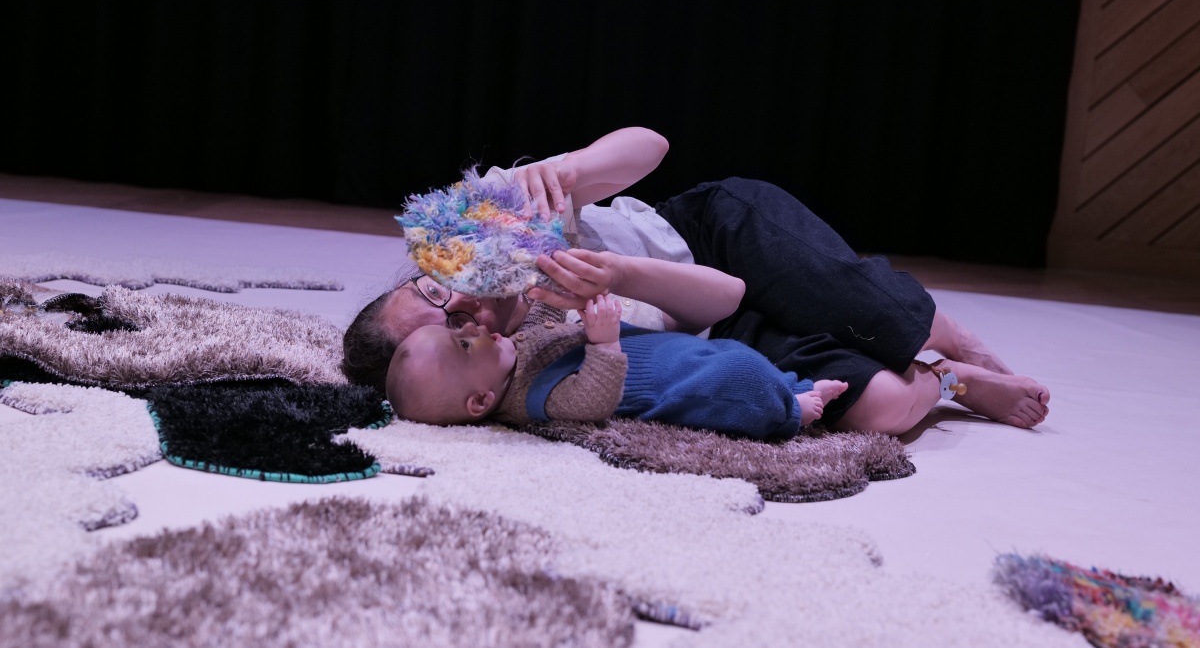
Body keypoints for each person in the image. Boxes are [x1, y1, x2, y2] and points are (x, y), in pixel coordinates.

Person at [343, 127, 1049, 432]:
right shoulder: (533, 368)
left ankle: (951, 338)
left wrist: (569, 171)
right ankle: (952, 381)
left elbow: (651, 146)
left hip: (711, 236)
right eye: (452, 332)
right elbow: (721, 307)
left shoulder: (496, 215)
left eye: (430, 291)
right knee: (884, 409)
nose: (464, 310)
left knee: (867, 310)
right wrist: (615, 282)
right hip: (717, 322)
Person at [387, 290, 851, 438]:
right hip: (665, 382)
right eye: (464, 346)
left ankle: (792, 385)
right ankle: (790, 411)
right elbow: (594, 398)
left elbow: (546, 324)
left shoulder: (506, 357)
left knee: (726, 354)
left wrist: (549, 288)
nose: (472, 329)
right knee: (732, 379)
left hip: (660, 350)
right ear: (481, 401)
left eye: (461, 329)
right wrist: (604, 341)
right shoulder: (533, 400)